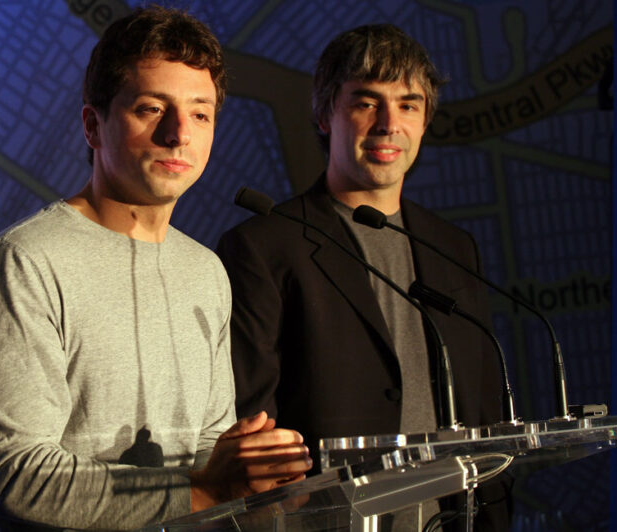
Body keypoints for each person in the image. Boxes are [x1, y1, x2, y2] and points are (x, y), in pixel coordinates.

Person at [0, 7, 312, 531]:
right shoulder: (24, 264)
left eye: (200, 114)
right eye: (151, 108)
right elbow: (19, 477)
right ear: (92, 125)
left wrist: (252, 468)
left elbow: (206, 444)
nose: (178, 134)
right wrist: (205, 489)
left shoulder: (206, 271)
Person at [215, 24, 510, 530]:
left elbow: (485, 411)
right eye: (366, 102)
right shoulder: (265, 246)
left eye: (408, 104)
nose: (388, 124)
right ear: (325, 113)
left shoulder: (455, 248)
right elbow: (257, 430)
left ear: (425, 120)